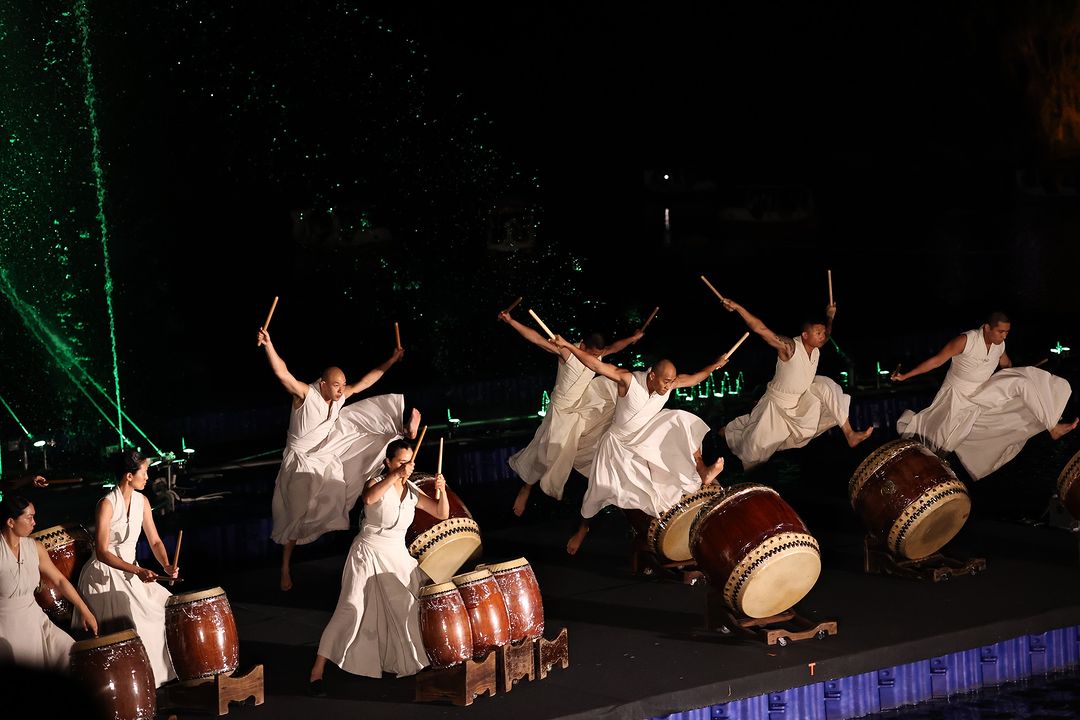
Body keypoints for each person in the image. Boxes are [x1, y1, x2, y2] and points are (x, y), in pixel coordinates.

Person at [258, 327, 420, 591]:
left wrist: (391, 360)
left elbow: (366, 382)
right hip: (299, 461)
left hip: (325, 453)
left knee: (346, 471)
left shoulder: (339, 396)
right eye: (336, 385)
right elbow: (282, 373)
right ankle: (285, 568)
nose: (341, 390)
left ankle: (399, 431)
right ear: (322, 384)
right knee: (294, 514)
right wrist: (268, 344)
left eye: (343, 385)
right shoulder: (304, 395)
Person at [553, 336, 728, 554]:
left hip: (645, 436)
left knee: (679, 420)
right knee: (597, 492)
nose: (669, 386)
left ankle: (702, 470)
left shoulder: (669, 383)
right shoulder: (628, 380)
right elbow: (595, 364)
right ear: (652, 376)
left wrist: (715, 365)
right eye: (665, 381)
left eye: (672, 381)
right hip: (618, 444)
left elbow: (695, 379)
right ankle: (582, 530)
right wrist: (568, 346)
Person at [308, 438, 449, 695]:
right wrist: (395, 475)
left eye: (409, 462)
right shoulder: (376, 482)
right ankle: (316, 673)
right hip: (368, 551)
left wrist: (443, 490)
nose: (406, 466)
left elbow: (441, 513)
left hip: (396, 555)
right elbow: (370, 499)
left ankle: (415, 661)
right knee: (350, 608)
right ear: (388, 462)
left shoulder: (412, 492)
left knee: (409, 607)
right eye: (400, 462)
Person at [892, 312, 1076, 480]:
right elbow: (936, 361)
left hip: (982, 392)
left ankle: (1052, 426)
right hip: (956, 395)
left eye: (1007, 332)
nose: (1004, 336)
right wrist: (905, 376)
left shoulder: (999, 345)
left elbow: (1006, 365)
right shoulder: (966, 340)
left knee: (1023, 382)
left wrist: (1018, 375)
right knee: (943, 444)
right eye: (1001, 332)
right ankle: (920, 474)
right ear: (987, 328)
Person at [498, 308, 645, 516]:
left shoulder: (598, 355)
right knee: (544, 449)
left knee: (601, 418)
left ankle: (608, 478)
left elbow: (614, 347)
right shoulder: (567, 352)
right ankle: (527, 488)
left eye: (597, 355)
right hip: (560, 409)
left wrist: (633, 337)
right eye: (592, 354)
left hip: (581, 406)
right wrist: (511, 321)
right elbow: (537, 339)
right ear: (583, 346)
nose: (594, 359)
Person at [720, 298, 873, 469]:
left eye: (823, 333)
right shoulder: (790, 348)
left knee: (825, 385)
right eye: (818, 333)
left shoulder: (815, 347)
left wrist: (830, 316)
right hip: (776, 406)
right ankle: (727, 434)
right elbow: (761, 329)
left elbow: (828, 332)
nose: (823, 336)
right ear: (805, 335)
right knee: (752, 453)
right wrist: (738, 307)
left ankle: (849, 434)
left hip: (800, 402)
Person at [72, 450, 177, 687]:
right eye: (145, 472)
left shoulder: (143, 501)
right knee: (136, 622)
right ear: (129, 476)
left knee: (165, 607)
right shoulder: (107, 504)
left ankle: (156, 679)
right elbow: (101, 551)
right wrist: (137, 571)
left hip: (132, 571)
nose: (148, 477)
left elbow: (156, 541)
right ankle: (139, 683)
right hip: (105, 574)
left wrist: (167, 565)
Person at [1, 494, 97, 671]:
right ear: (10, 522)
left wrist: (84, 610)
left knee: (70, 652)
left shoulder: (34, 547)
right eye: (29, 517)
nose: (34, 522)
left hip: (34, 618)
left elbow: (59, 580)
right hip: (5, 625)